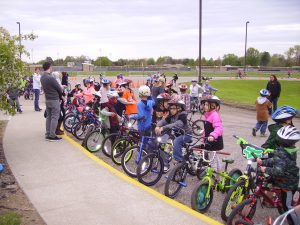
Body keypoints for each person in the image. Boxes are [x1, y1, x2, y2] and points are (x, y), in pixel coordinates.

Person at [257, 125, 300, 225]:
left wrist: (265, 168)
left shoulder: (284, 153)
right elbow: (276, 160)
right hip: (284, 179)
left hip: (287, 184)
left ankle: (295, 222)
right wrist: (263, 162)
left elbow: (278, 171)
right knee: (279, 195)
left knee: (287, 207)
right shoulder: (287, 150)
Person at [155, 96, 192, 169]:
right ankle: (165, 164)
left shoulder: (183, 115)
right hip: (176, 134)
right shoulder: (171, 115)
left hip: (186, 134)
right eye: (170, 108)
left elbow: (178, 124)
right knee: (164, 144)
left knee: (176, 142)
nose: (171, 110)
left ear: (179, 108)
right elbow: (164, 121)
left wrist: (163, 127)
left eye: (173, 108)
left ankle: (179, 161)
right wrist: (157, 125)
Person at [40, 62, 63, 141]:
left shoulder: (42, 77)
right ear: (49, 67)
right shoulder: (51, 78)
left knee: (49, 117)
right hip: (54, 99)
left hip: (48, 99)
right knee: (55, 117)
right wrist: (61, 96)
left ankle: (48, 133)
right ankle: (52, 135)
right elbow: (59, 89)